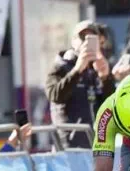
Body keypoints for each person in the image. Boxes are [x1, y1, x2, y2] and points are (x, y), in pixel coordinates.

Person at [46, 20, 117, 148]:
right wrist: (77, 70)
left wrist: (105, 78)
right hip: (69, 147)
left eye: (91, 39)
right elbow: (54, 96)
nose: (86, 42)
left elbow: (111, 106)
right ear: (73, 42)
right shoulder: (61, 66)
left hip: (96, 145)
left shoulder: (96, 69)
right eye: (82, 37)